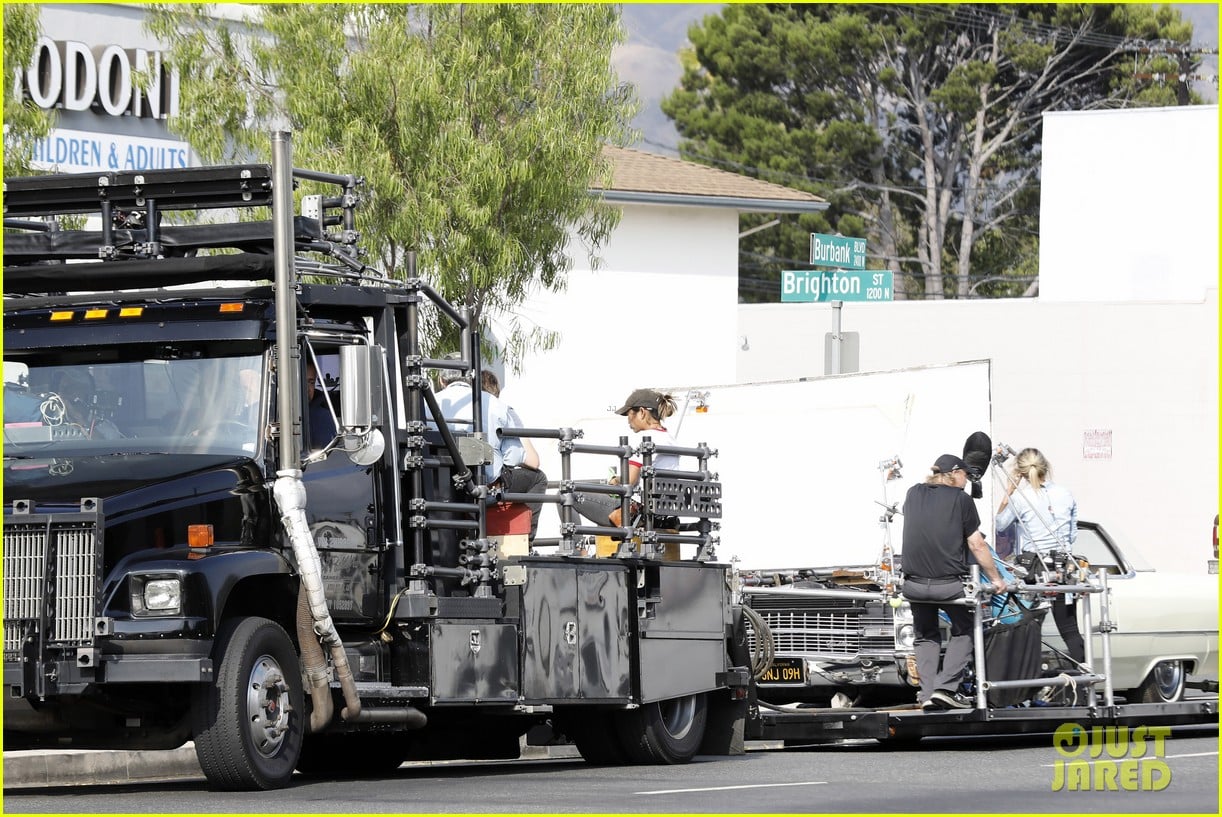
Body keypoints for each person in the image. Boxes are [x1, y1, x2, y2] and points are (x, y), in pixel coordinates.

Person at [902, 453, 1007, 711]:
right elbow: (977, 544)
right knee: (966, 629)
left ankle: (926, 694)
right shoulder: (961, 500)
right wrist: (996, 578)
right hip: (947, 585)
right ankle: (945, 688)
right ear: (956, 473)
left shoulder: (913, 493)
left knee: (925, 635)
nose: (968, 480)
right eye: (966, 475)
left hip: (913, 584)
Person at [434, 361, 547, 540]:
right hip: (479, 488)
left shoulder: (426, 405)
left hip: (438, 491)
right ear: (472, 377)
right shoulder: (494, 405)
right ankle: (526, 542)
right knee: (538, 477)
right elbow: (513, 457)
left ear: (441, 380)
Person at [996, 447, 1085, 664]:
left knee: (1025, 626)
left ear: (1020, 472)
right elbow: (1071, 535)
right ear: (1046, 466)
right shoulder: (1065, 493)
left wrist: (1009, 490)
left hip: (1032, 568)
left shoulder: (1020, 497)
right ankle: (1085, 684)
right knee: (1070, 629)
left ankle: (1028, 681)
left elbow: (1000, 525)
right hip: (1063, 567)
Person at [573, 387, 680, 528]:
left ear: (642, 412)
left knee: (567, 494)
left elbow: (629, 480)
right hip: (664, 513)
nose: (628, 421)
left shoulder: (644, 439)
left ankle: (577, 548)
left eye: (629, 414)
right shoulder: (670, 439)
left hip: (637, 514)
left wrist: (616, 479)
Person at [478, 368, 548, 540]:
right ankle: (526, 541)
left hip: (456, 488)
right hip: (489, 487)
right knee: (539, 478)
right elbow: (531, 460)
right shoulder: (503, 410)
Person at [305, 362, 337, 445]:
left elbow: (323, 453)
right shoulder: (274, 412)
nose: (307, 389)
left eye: (311, 382)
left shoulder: (321, 416)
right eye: (302, 381)